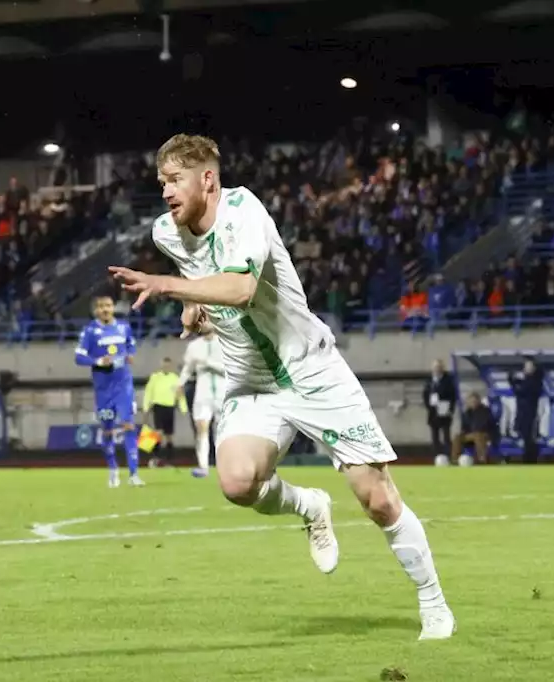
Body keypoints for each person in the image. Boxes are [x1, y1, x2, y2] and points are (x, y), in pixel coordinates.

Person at [108, 133, 455, 640]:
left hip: (313, 371)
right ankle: (309, 506)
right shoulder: (167, 232)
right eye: (161, 182)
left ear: (207, 178)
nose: (165, 192)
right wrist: (192, 305)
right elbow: (201, 275)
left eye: (175, 180)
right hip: (252, 382)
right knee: (236, 482)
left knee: (377, 499)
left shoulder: (245, 210)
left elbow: (242, 289)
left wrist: (165, 286)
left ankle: (434, 603)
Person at [74, 295, 144, 488]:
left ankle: (133, 474)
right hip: (103, 389)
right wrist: (98, 361)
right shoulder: (90, 331)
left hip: (124, 386)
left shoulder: (123, 327)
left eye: (108, 305)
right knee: (107, 431)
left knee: (129, 425)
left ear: (113, 307)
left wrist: (130, 355)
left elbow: (130, 345)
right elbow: (79, 358)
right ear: (95, 311)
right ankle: (113, 471)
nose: (105, 309)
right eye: (101, 307)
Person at [180, 330, 226, 478]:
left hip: (223, 392)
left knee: (222, 432)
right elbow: (187, 368)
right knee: (201, 429)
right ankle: (203, 466)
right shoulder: (193, 346)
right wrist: (179, 384)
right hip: (202, 392)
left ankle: (225, 465)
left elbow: (229, 369)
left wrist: (207, 363)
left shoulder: (225, 342)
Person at [142, 356, 187, 469]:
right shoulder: (155, 377)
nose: (166, 367)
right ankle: (155, 459)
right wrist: (146, 407)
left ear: (170, 366)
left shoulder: (175, 378)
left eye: (168, 365)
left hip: (170, 407)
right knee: (158, 433)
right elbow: (148, 393)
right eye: (164, 365)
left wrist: (183, 408)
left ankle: (169, 461)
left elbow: (180, 395)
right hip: (158, 406)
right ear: (161, 365)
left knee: (169, 436)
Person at [509, 358, 545, 464]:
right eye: (526, 366)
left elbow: (522, 390)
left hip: (531, 413)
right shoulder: (524, 380)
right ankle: (528, 458)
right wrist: (513, 380)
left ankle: (531, 460)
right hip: (522, 413)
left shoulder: (535, 381)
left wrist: (515, 382)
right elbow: (516, 387)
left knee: (530, 437)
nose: (527, 369)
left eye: (529, 366)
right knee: (525, 436)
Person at [422, 359, 457, 461]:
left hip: (444, 410)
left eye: (439, 367)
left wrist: (450, 409)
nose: (437, 369)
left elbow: (452, 396)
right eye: (435, 367)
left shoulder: (448, 380)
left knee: (446, 435)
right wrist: (428, 405)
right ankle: (437, 457)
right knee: (435, 437)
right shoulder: (429, 381)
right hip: (433, 411)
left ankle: (448, 456)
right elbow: (425, 395)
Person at [452, 393, 494, 464]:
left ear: (479, 401)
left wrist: (475, 430)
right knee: (457, 437)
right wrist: (463, 432)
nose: (473, 403)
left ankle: (482, 459)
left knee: (477, 435)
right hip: (470, 435)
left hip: (484, 433)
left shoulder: (485, 411)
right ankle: (455, 459)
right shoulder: (466, 413)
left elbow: (485, 425)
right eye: (471, 401)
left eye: (474, 401)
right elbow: (464, 427)